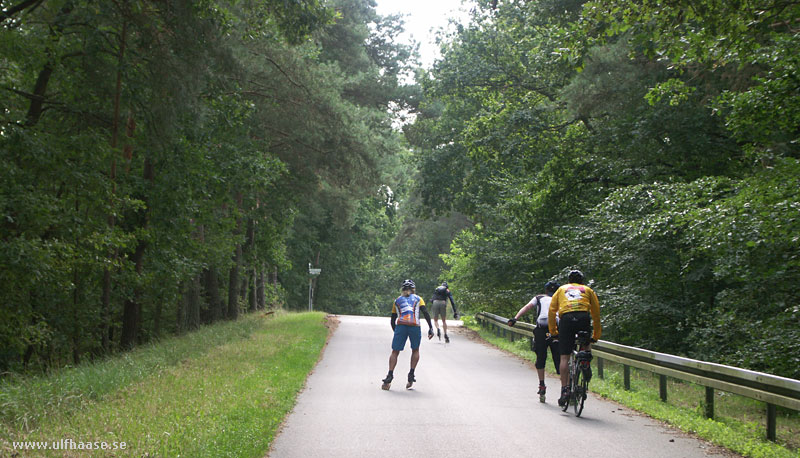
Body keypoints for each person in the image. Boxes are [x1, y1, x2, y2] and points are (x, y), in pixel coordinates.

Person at [547, 270, 602, 407]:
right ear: (582, 281)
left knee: (564, 356)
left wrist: (553, 331)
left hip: (566, 319)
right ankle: (586, 361)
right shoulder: (588, 290)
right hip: (583, 318)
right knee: (586, 341)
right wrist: (595, 336)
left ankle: (565, 390)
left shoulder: (561, 289)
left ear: (569, 281)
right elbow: (596, 313)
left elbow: (552, 311)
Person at [508, 281, 560, 401]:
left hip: (542, 330)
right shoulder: (560, 297)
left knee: (541, 358)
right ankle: (565, 390)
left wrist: (515, 318)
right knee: (560, 358)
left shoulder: (539, 297)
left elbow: (527, 307)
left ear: (546, 290)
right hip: (556, 330)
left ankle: (542, 385)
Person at [382, 279, 434, 390]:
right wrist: (430, 328)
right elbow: (425, 312)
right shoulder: (419, 299)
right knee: (415, 350)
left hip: (401, 326)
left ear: (402, 289)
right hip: (415, 326)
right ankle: (411, 374)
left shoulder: (397, 300)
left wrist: (396, 332)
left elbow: (392, 320)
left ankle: (389, 375)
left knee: (395, 351)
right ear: (413, 289)